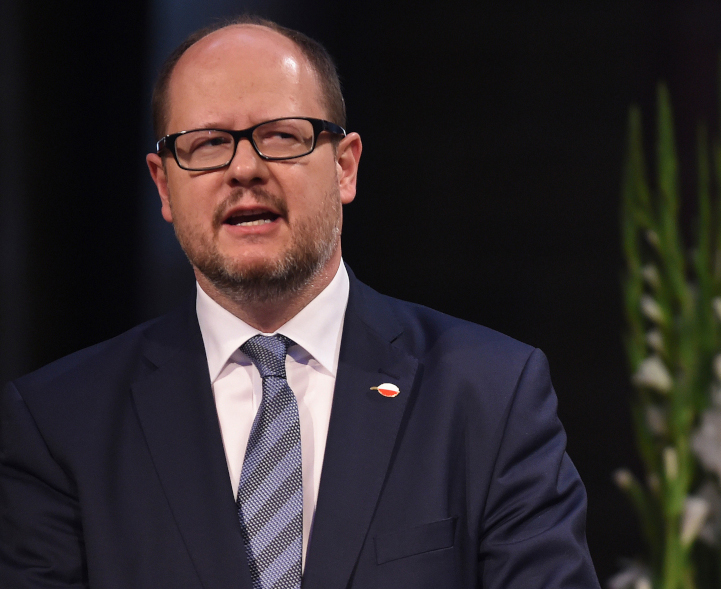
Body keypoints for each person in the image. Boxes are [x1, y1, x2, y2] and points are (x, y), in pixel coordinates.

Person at [0, 15, 600, 589]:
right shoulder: (58, 426)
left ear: (345, 167)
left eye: (279, 137)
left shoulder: (488, 395)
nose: (244, 169)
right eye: (207, 144)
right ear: (164, 184)